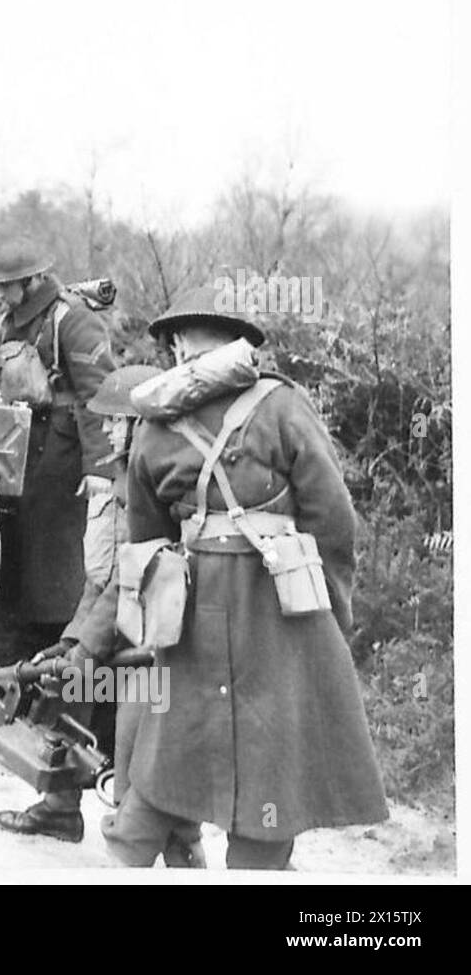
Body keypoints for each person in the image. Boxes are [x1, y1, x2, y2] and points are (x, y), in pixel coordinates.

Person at [101, 286, 388, 869]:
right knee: (271, 764)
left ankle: (128, 856)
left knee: (165, 757)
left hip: (190, 610)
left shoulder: (155, 425)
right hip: (278, 610)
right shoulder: (283, 405)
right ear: (240, 343)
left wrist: (153, 623)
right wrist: (332, 612)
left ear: (179, 343)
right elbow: (333, 519)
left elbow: (145, 542)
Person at [0, 365, 206, 863]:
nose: (107, 429)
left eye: (116, 421)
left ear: (142, 424)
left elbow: (133, 579)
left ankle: (173, 847)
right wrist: (72, 642)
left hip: (148, 640)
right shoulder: (116, 475)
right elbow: (100, 577)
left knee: (142, 753)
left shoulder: (161, 485)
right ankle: (60, 807)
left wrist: (88, 646)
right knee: (63, 694)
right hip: (108, 619)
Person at [0, 236, 116, 646]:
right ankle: (15, 634)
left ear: (33, 280)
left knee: (55, 545)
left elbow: (100, 395)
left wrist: (100, 468)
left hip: (64, 450)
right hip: (20, 442)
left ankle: (58, 637)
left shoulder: (73, 320)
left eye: (6, 284)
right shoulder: (11, 320)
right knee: (14, 534)